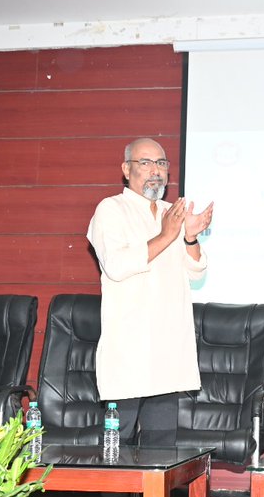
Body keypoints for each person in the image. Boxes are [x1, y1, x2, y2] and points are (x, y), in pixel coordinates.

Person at [87, 138, 213, 446]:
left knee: (161, 453)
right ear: (126, 169)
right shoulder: (111, 209)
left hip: (167, 352)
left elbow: (196, 271)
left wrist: (190, 237)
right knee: (117, 453)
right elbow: (116, 265)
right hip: (128, 353)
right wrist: (167, 234)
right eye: (145, 163)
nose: (155, 170)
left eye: (161, 163)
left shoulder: (174, 212)